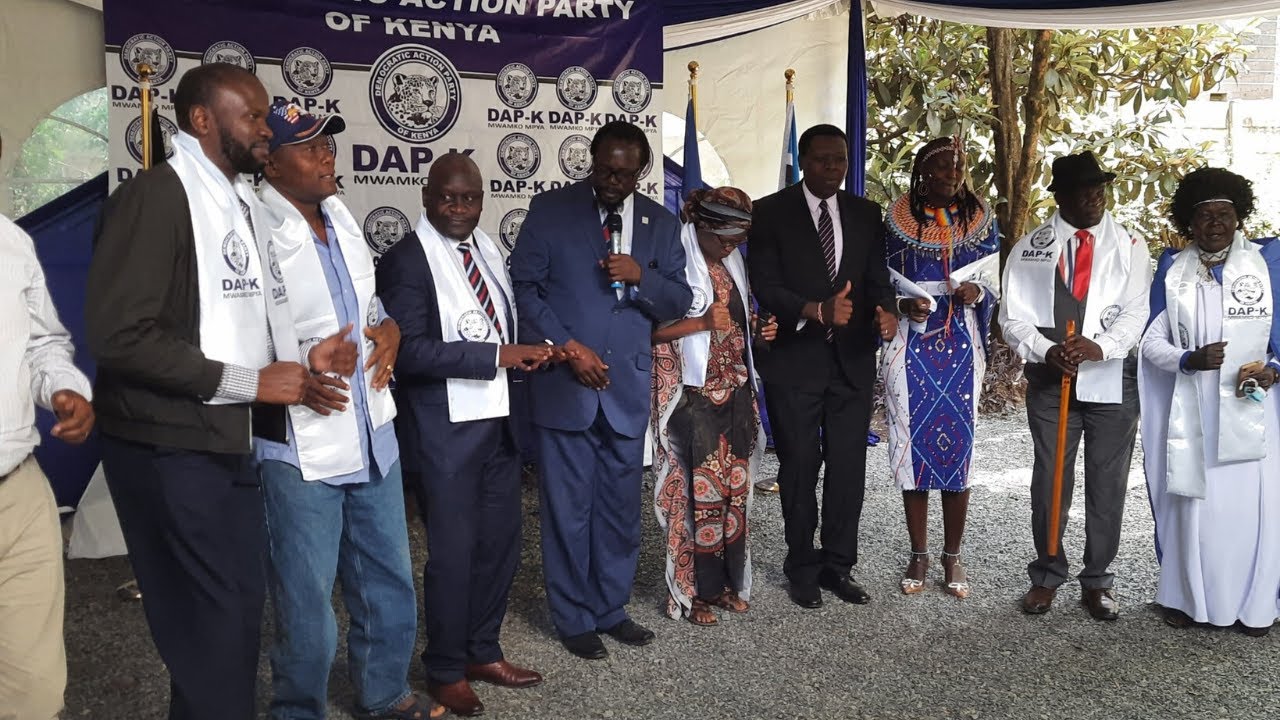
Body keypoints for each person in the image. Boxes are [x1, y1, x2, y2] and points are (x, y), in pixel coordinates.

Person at [85, 64, 341, 720]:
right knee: (215, 628)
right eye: (252, 116)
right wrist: (251, 382)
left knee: (226, 626)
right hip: (167, 447)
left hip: (222, 439)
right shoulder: (157, 197)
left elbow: (234, 322)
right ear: (202, 120)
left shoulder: (237, 201)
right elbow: (121, 336)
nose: (265, 129)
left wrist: (296, 361)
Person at [257, 100, 437, 720]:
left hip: (370, 430)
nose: (326, 156)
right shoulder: (255, 229)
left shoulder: (340, 215)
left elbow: (368, 306)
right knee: (305, 598)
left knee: (387, 576)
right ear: (270, 163)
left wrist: (391, 329)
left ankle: (384, 693)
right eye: (309, 148)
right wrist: (300, 365)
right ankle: (297, 708)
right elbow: (238, 334)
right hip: (300, 444)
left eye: (327, 144)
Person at [509, 121, 691, 659]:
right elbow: (525, 290)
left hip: (625, 389)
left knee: (618, 510)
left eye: (625, 173)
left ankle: (610, 609)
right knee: (568, 510)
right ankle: (572, 618)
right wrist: (568, 348)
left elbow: (678, 301)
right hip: (566, 385)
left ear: (641, 171)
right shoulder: (551, 211)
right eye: (605, 169)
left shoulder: (661, 224)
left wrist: (640, 277)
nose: (613, 181)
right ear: (591, 161)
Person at [378, 153, 551, 715]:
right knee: (452, 556)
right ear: (426, 197)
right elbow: (409, 352)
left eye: (470, 198)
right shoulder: (406, 260)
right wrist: (499, 355)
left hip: (499, 425)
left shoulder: (487, 249)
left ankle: (483, 650)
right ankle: (446, 668)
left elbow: (503, 320)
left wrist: (536, 351)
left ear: (482, 201)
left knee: (500, 545)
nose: (459, 208)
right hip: (444, 431)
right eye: (448, 197)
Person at [746, 123, 899, 610]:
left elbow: (876, 279)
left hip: (852, 362)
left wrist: (887, 310)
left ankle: (838, 566)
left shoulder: (866, 213)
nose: (833, 168)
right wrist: (815, 310)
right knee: (799, 466)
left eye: (841, 160)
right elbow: (765, 283)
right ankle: (801, 567)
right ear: (803, 161)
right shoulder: (770, 212)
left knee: (848, 467)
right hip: (794, 362)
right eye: (822, 160)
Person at [1000, 151, 1151, 621]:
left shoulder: (1131, 245)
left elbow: (1137, 311)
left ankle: (1098, 580)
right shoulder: (1030, 248)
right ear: (1060, 197)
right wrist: (1047, 350)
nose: (1093, 198)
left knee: (1107, 483)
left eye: (1099, 189)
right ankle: (1046, 574)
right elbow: (1011, 318)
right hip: (1052, 383)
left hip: (1112, 382)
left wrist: (1100, 346)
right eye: (1082, 191)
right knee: (1050, 481)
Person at [1141, 167, 1280, 637]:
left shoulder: (1267, 263)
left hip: (1253, 407)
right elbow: (1151, 343)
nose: (1215, 223)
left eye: (1224, 214)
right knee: (1195, 507)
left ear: (1239, 218)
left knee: (1252, 509)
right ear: (1190, 221)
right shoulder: (1174, 270)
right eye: (1205, 215)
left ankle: (1255, 605)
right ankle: (1189, 599)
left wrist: (1273, 369)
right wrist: (1188, 359)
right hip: (1195, 410)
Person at [650, 186, 777, 626]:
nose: (730, 248)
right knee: (696, 498)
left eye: (738, 241)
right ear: (701, 226)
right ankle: (692, 594)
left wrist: (759, 332)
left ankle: (723, 586)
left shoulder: (733, 262)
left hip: (735, 393)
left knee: (733, 496)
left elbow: (736, 329)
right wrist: (700, 323)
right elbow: (646, 332)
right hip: (694, 398)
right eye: (724, 239)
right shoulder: (673, 262)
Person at [880, 137, 1000, 598]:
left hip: (961, 344)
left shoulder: (981, 219)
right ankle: (919, 553)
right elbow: (878, 280)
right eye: (944, 167)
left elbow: (993, 279)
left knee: (958, 447)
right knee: (912, 444)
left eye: (959, 167)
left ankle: (953, 555)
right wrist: (900, 303)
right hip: (911, 343)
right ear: (924, 172)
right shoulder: (895, 222)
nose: (953, 174)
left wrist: (979, 293)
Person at [0, 207, 95, 720]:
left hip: (18, 489)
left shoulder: (9, 242)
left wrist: (63, 386)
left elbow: (42, 342)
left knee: (35, 694)